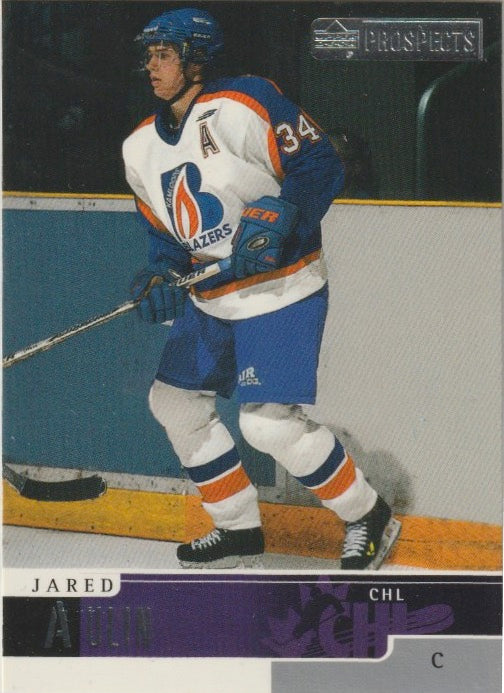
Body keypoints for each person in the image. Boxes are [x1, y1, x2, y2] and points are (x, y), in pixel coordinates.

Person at [122, 7, 401, 570]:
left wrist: (284, 212)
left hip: (282, 289)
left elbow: (320, 165)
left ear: (196, 59)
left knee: (267, 425)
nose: (152, 66)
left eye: (164, 54)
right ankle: (237, 528)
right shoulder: (139, 146)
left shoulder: (246, 101)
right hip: (211, 298)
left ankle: (368, 514)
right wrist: (160, 273)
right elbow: (165, 234)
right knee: (172, 403)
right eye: (149, 55)